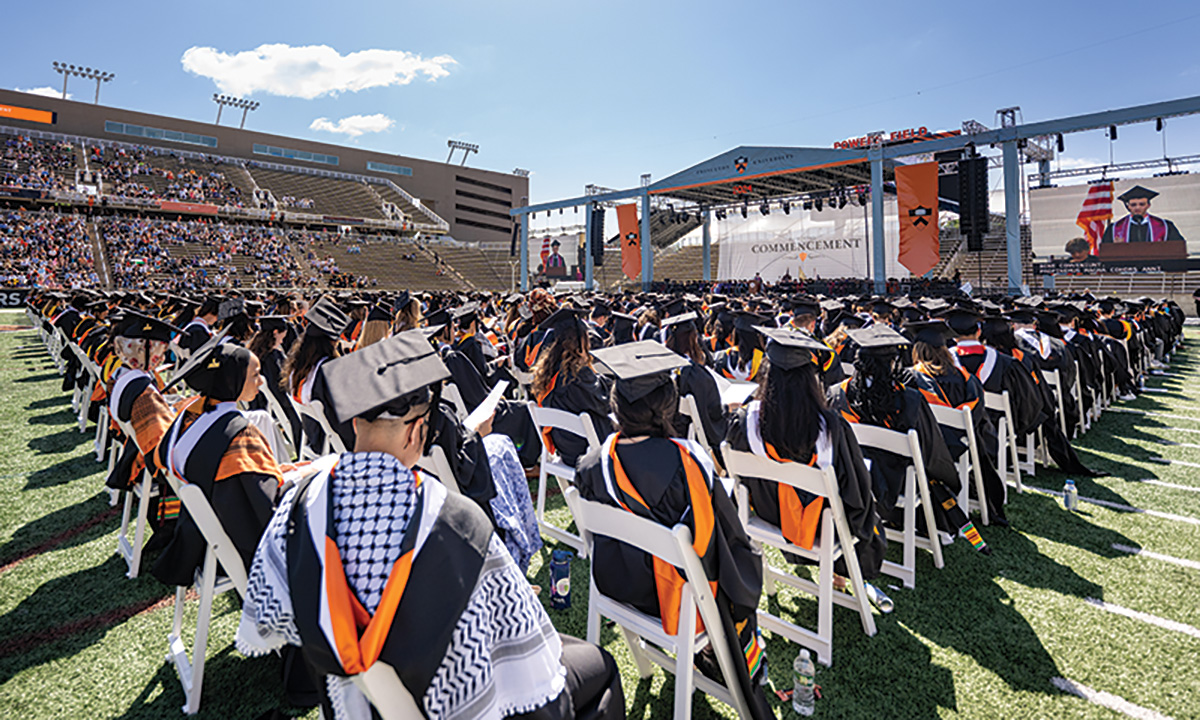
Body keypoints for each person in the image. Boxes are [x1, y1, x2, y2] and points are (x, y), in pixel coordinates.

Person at [237, 332, 625, 720]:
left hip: (353, 700)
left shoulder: (300, 502)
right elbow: (527, 652)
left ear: (356, 422)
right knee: (599, 664)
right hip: (450, 701)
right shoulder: (454, 521)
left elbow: (275, 611)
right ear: (414, 431)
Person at [573, 341, 772, 719]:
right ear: (668, 405)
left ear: (616, 405)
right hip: (677, 602)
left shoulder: (591, 464)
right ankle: (717, 657)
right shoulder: (688, 460)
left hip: (621, 588)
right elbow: (725, 546)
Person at [725, 326, 888, 586]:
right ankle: (839, 571)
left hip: (767, 516)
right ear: (811, 378)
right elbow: (855, 495)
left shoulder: (745, 421)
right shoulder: (831, 428)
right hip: (820, 529)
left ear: (768, 374)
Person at [829, 325, 990, 554]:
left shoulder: (836, 394)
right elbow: (932, 450)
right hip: (901, 485)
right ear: (893, 363)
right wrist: (948, 478)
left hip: (854, 481)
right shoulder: (909, 399)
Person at [150, 336, 283, 587]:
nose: (262, 381)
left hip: (194, 533)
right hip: (234, 542)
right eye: (255, 375)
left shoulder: (188, 414)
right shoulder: (241, 435)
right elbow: (266, 507)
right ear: (232, 380)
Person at [906, 320, 1010, 525]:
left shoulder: (909, 379)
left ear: (917, 350)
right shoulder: (966, 379)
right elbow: (979, 417)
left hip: (923, 450)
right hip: (962, 448)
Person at [531, 307, 614, 467]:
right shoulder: (578, 374)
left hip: (566, 448)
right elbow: (604, 404)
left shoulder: (551, 368)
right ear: (579, 342)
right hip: (588, 451)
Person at [1100, 185, 1185, 245]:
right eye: (1133, 205)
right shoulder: (1114, 228)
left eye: (1142, 204)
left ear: (1148, 205)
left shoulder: (1165, 226)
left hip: (1157, 268)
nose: (1137, 208)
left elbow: (1178, 247)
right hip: (1126, 268)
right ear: (1128, 206)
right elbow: (1105, 250)